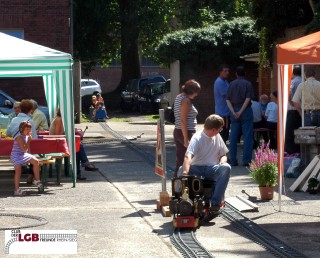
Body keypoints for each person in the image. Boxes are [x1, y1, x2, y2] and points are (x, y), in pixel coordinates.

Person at [181, 114, 231, 222]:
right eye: (220, 129)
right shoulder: (197, 138)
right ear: (214, 129)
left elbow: (223, 154)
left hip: (211, 168)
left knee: (226, 167)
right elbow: (188, 156)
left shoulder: (217, 136)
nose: (220, 131)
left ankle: (215, 203)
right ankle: (183, 202)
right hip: (196, 168)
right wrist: (185, 172)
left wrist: (222, 162)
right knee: (182, 169)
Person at [49, 108, 98, 180]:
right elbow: (58, 134)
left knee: (77, 149)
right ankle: (84, 165)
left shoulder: (60, 119)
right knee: (78, 147)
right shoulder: (59, 119)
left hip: (58, 142)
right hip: (56, 144)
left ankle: (79, 171)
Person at [226, 66, 254, 166]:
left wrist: (233, 112)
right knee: (247, 137)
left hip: (234, 110)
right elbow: (248, 99)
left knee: (233, 137)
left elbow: (227, 99)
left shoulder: (231, 84)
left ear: (236, 74)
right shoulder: (248, 84)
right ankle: (246, 161)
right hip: (245, 111)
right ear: (244, 73)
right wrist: (241, 111)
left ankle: (233, 160)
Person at [173, 79, 201, 177]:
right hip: (186, 132)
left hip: (178, 131)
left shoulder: (179, 97)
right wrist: (186, 138)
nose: (197, 94)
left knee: (181, 159)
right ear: (191, 91)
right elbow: (183, 120)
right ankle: (184, 183)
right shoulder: (186, 101)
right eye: (196, 92)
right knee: (189, 159)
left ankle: (177, 184)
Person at [11, 121, 43, 196]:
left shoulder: (27, 136)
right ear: (21, 129)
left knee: (36, 161)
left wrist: (30, 156)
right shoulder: (19, 137)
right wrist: (29, 141)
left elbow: (27, 149)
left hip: (23, 154)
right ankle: (16, 189)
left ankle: (36, 180)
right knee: (18, 171)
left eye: (29, 129)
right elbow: (23, 148)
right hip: (16, 155)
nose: (28, 131)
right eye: (26, 129)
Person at [285, 66, 302, 154]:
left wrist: (291, 102)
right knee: (299, 131)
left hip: (292, 110)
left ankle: (291, 152)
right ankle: (298, 151)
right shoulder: (303, 81)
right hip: (301, 110)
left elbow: (289, 92)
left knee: (290, 132)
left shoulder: (293, 81)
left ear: (293, 73)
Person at [214, 64, 230, 143]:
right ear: (220, 72)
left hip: (225, 112)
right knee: (222, 135)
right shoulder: (219, 82)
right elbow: (228, 94)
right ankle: (220, 153)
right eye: (225, 71)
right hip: (222, 113)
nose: (227, 73)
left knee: (225, 134)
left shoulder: (225, 81)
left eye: (228, 71)